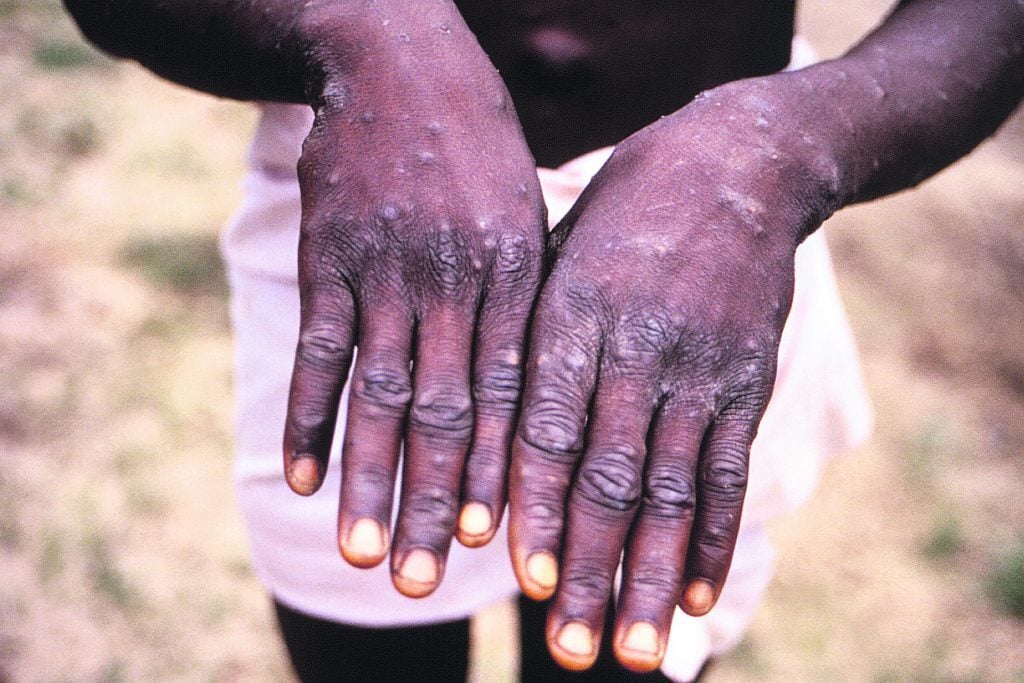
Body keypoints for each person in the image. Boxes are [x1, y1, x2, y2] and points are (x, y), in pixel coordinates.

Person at [62, 1, 1023, 680]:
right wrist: (352, 25)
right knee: (360, 629)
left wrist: (782, 150)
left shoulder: (751, 178)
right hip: (377, 186)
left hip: (706, 237)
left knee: (626, 643)